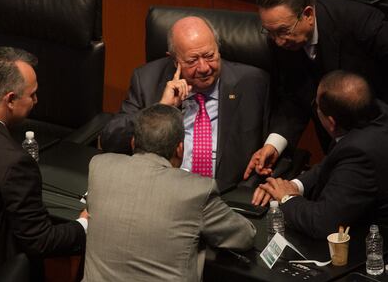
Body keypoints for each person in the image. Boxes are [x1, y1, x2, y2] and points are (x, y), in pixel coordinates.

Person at [82, 103, 256, 282]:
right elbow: (244, 236)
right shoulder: (196, 191)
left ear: (133, 142)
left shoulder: (100, 167)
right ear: (180, 149)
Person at [101, 16, 270, 192]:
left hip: (227, 196)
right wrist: (160, 109)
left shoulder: (253, 82)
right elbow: (111, 140)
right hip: (163, 191)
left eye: (209, 56)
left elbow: (275, 152)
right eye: (192, 61)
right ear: (174, 60)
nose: (204, 67)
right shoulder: (147, 80)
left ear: (218, 49)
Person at [244, 0, 388, 179]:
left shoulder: (361, 22)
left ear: (308, 15)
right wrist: (273, 145)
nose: (278, 41)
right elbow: (293, 97)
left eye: (283, 31)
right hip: (335, 144)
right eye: (271, 33)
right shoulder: (283, 43)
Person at [0, 47, 87, 282]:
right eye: (32, 94)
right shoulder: (13, 163)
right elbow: (41, 241)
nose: (36, 100)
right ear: (11, 99)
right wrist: (84, 224)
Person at [252, 70, 388, 239]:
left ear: (331, 123)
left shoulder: (360, 154)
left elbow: (324, 223)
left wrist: (287, 198)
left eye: (316, 105)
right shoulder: (378, 113)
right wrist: (293, 185)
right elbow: (329, 165)